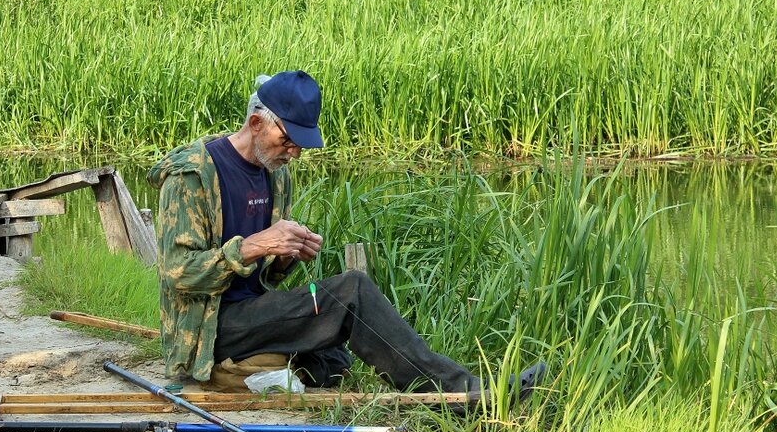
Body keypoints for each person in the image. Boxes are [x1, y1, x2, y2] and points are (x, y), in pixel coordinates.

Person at [147, 70, 542, 396]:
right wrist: (256, 245)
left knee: (333, 363)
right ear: (255, 124)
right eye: (287, 141)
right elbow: (179, 274)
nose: (294, 153)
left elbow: (261, 277)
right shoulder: (193, 176)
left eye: (299, 145)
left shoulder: (274, 174)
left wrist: (282, 257)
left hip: (249, 314)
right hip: (209, 328)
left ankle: (445, 387)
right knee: (351, 290)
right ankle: (460, 390)